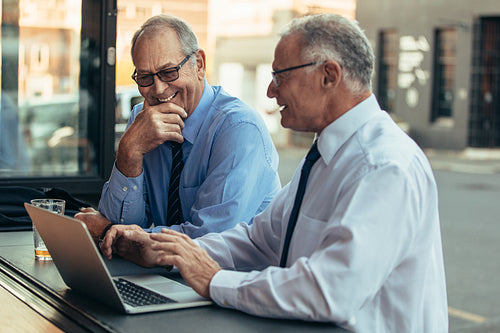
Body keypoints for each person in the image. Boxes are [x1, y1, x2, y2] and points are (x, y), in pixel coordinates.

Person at [100, 14, 448, 332]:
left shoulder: (383, 165)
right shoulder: (328, 155)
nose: (270, 91)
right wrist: (167, 250)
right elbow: (258, 240)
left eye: (280, 76)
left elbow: (330, 291)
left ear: (329, 75)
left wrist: (214, 280)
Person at [74, 14, 281, 240]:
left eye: (168, 72)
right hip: (159, 273)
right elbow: (119, 224)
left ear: (199, 64)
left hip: (229, 274)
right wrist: (128, 152)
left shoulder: (239, 129)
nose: (159, 88)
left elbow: (207, 240)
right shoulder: (143, 121)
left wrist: (112, 233)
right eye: (145, 77)